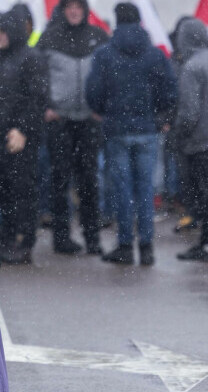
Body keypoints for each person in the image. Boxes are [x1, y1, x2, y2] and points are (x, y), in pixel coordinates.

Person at [86, 2, 176, 265]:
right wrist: (157, 117)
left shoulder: (104, 55)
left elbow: (93, 92)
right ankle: (146, 247)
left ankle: (125, 245)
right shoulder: (155, 55)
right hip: (147, 129)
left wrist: (105, 111)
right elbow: (169, 91)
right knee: (145, 188)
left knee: (122, 189)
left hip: (117, 129)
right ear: (140, 21)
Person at [0, 11, 49, 264]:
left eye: (2, 32)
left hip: (18, 136)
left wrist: (23, 130)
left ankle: (23, 240)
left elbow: (36, 98)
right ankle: (6, 237)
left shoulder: (31, 58)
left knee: (22, 189)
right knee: (2, 188)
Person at [37, 0, 108, 255]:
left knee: (89, 181)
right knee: (59, 181)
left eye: (79, 6)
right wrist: (45, 106)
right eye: (70, 6)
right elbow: (37, 75)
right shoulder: (49, 38)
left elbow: (107, 74)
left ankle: (92, 238)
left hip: (89, 121)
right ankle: (62, 238)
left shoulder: (98, 36)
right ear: (63, 10)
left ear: (85, 10)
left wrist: (102, 106)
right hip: (60, 121)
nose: (74, 11)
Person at [171, 19, 208, 262]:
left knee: (202, 193)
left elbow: (189, 111)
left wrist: (178, 135)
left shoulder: (192, 66)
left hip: (199, 139)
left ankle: (207, 244)